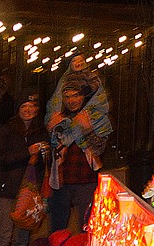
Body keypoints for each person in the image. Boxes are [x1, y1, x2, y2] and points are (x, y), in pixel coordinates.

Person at [0, 93, 47, 246]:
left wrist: (46, 154)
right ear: (18, 109)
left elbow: (44, 163)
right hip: (6, 191)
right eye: (24, 106)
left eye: (32, 106)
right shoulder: (7, 130)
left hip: (29, 191)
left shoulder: (41, 131)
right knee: (5, 234)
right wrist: (27, 152)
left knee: (23, 235)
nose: (28, 110)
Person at [46, 80, 110, 233]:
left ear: (84, 97)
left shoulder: (94, 117)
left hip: (86, 180)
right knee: (57, 230)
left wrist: (87, 128)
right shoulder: (58, 118)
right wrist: (50, 130)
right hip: (61, 181)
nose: (71, 100)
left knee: (87, 227)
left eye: (76, 96)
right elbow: (48, 150)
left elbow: (100, 149)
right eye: (67, 97)